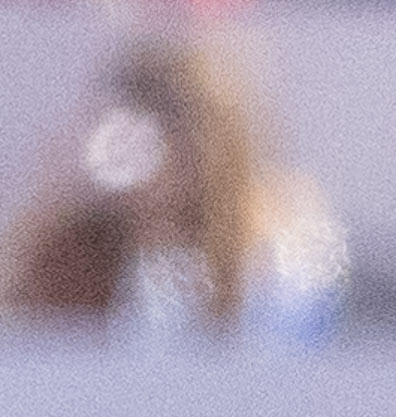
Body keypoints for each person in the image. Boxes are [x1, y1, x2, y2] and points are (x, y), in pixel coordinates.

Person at [4, 39, 346, 344]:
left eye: (169, 138)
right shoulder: (71, 252)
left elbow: (289, 368)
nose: (139, 160)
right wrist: (49, 207)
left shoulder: (278, 255)